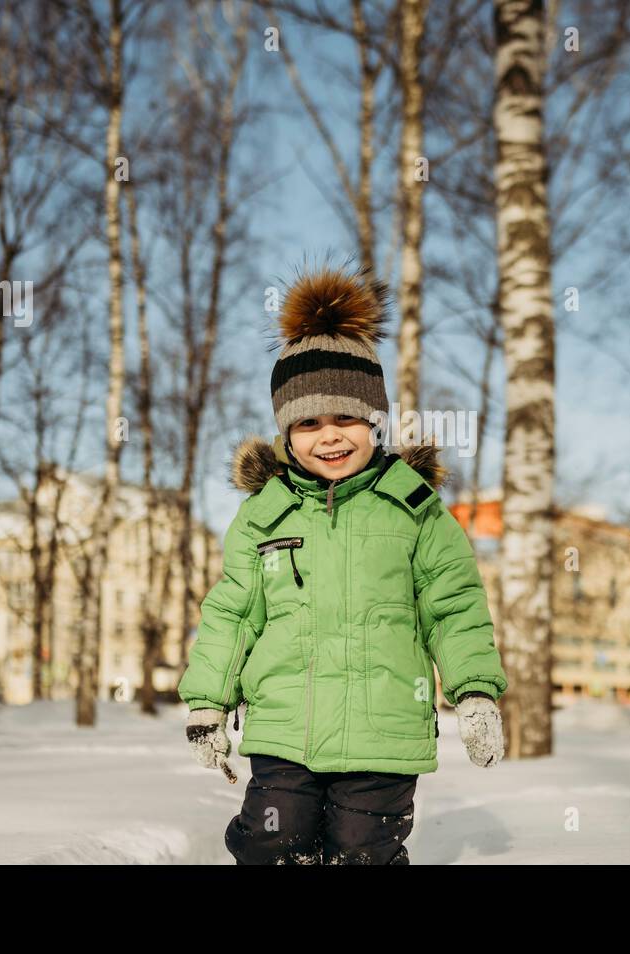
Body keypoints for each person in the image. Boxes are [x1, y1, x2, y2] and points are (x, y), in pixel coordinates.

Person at [179, 260, 508, 864]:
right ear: (286, 432)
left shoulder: (414, 509)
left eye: (346, 419)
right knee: (270, 839)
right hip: (284, 729)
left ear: (374, 420)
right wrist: (208, 702)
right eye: (308, 423)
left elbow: (454, 607)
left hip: (382, 733)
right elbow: (232, 612)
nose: (329, 437)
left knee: (363, 851)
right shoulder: (264, 515)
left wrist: (475, 691)